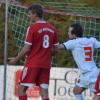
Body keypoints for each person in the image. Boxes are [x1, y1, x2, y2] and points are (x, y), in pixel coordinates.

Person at [8, 4, 59, 100]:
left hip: (33, 63)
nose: (28, 16)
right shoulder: (52, 29)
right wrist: (45, 54)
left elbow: (27, 48)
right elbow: (56, 49)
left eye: (30, 14)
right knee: (44, 92)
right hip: (46, 64)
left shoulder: (32, 28)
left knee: (21, 89)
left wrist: (16, 59)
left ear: (35, 14)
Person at [55, 23, 100, 100]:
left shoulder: (73, 42)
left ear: (74, 34)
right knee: (76, 91)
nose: (68, 33)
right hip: (88, 74)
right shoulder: (91, 40)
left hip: (91, 75)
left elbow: (58, 47)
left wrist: (52, 41)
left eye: (69, 32)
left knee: (97, 96)